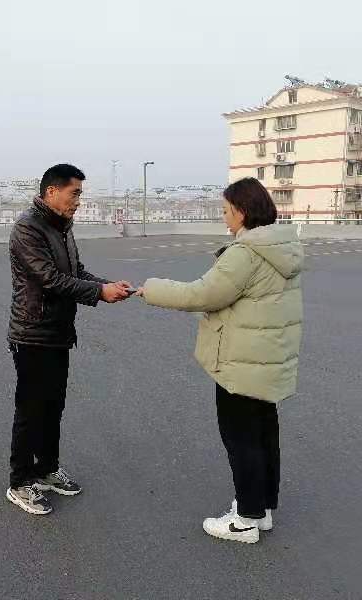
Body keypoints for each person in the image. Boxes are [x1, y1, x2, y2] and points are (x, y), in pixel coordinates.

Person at [136, 177, 303, 543]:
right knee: (263, 435)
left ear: (241, 212)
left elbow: (202, 295)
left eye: (226, 210)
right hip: (265, 359)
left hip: (242, 362)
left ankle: (244, 521)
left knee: (241, 439)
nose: (224, 217)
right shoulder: (280, 246)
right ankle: (261, 509)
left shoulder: (246, 253)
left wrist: (151, 289)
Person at [6, 163, 132, 515]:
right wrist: (99, 293)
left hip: (59, 332)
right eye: (74, 193)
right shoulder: (28, 228)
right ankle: (19, 482)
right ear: (51, 191)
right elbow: (50, 279)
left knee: (52, 407)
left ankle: (46, 469)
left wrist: (107, 284)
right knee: (31, 410)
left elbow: (75, 272)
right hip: (32, 334)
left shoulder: (61, 227)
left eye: (79, 194)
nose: (78, 201)